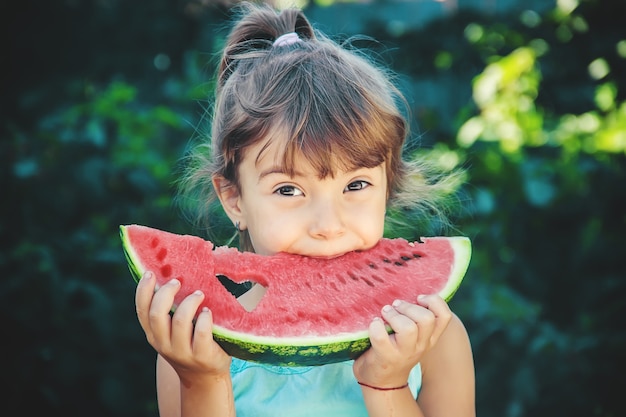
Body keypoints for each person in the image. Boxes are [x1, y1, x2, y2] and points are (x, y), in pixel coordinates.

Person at [134, 2, 475, 416]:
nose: (328, 225)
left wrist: (388, 385)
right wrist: (203, 380)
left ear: (389, 187)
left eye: (357, 184)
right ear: (234, 199)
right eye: (289, 190)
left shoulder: (435, 338)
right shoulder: (191, 344)